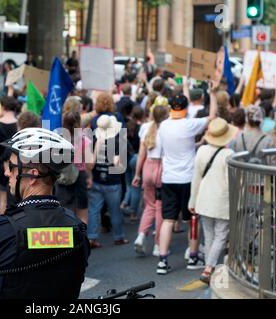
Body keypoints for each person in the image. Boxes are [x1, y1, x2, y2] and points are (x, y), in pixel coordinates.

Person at [0, 128, 90, 299]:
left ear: (33, 175)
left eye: (11, 167)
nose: (6, 172)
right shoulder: (77, 227)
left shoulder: (1, 229)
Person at [156, 83, 218, 275]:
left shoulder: (163, 126)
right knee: (192, 218)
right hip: (188, 178)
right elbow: (213, 117)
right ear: (185, 108)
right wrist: (213, 94)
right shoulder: (190, 124)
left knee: (167, 219)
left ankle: (162, 261)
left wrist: (184, 86)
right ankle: (193, 257)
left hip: (169, 178)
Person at [188, 118, 238, 284]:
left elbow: (196, 178)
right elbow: (231, 183)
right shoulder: (229, 155)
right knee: (221, 236)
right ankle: (209, 268)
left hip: (204, 199)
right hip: (222, 201)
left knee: (209, 236)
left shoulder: (201, 150)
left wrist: (192, 201)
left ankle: (208, 268)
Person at [133, 100, 169, 256]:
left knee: (149, 205)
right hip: (163, 169)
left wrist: (137, 174)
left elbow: (141, 154)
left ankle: (141, 235)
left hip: (148, 167)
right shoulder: (168, 129)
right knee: (161, 208)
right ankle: (157, 245)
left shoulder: (145, 128)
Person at [88, 114, 128, 248]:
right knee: (115, 210)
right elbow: (120, 164)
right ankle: (119, 237)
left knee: (93, 210)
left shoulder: (93, 138)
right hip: (113, 180)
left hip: (96, 178)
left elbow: (90, 164)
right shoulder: (119, 140)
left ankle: (92, 237)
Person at [55, 111, 92, 224]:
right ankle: (81, 239)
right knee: (82, 211)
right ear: (79, 123)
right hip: (80, 175)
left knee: (63, 211)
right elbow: (89, 163)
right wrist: (90, 177)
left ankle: (66, 238)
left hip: (62, 175)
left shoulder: (57, 137)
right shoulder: (84, 139)